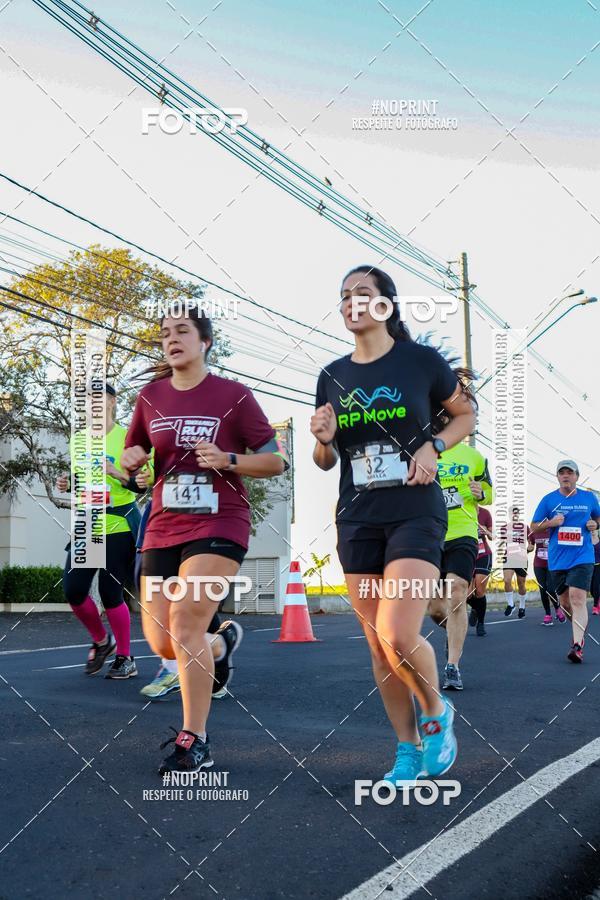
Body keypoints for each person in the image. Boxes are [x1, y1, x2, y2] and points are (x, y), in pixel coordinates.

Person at [311, 265, 476, 785]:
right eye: (343, 297)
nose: (351, 303)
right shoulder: (332, 375)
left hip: (414, 511)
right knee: (378, 645)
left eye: (363, 293)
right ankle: (406, 751)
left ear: (386, 305)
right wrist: (320, 437)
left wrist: (436, 443)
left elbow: (465, 414)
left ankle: (436, 714)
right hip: (357, 517)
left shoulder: (419, 362)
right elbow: (324, 461)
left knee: (397, 630)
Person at [121, 305, 287, 773]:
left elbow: (275, 461)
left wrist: (229, 459)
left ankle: (195, 740)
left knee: (187, 619)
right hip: (163, 523)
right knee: (163, 642)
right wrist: (131, 459)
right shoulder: (150, 398)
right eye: (165, 333)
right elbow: (135, 455)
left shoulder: (234, 396)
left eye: (183, 331)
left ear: (205, 342)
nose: (172, 339)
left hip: (220, 521)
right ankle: (220, 647)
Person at [56, 383, 143, 679]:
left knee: (110, 591)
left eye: (100, 398)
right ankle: (101, 640)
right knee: (74, 590)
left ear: (112, 402)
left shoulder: (129, 439)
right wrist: (69, 482)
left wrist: (117, 472)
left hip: (119, 522)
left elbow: (142, 485)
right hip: (88, 523)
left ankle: (125, 658)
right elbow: (84, 482)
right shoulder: (78, 440)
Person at [430, 442, 493, 689]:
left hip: (463, 533)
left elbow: (489, 492)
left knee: (457, 591)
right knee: (436, 609)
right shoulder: (421, 450)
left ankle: (452, 667)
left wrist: (481, 493)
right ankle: (453, 631)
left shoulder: (473, 456)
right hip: (429, 534)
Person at [531, 460, 600, 662]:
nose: (566, 476)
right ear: (558, 477)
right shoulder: (549, 500)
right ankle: (577, 629)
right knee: (565, 603)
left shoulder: (589, 498)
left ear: (577, 476)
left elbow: (598, 518)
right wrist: (552, 523)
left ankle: (577, 645)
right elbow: (534, 526)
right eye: (562, 473)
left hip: (583, 556)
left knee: (578, 597)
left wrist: (593, 524)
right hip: (558, 559)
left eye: (570, 472)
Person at [527, 527, 564, 625]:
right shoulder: (534, 532)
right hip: (538, 565)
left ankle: (557, 609)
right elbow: (530, 546)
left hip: (551, 564)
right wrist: (528, 549)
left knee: (551, 589)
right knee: (542, 589)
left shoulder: (554, 530)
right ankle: (548, 614)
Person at [469, 506, 493, 636]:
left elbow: (492, 536)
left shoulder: (485, 513)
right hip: (467, 555)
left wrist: (485, 531)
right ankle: (475, 608)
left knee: (479, 590)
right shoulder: (460, 510)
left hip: (483, 555)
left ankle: (481, 624)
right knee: (465, 594)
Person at [499, 509, 528, 618]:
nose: (514, 515)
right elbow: (503, 542)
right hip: (509, 558)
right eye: (512, 513)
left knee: (521, 584)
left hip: (521, 559)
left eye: (516, 513)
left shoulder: (525, 527)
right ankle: (511, 604)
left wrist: (528, 549)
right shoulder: (504, 528)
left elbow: (530, 542)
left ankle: (522, 606)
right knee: (506, 580)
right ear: (510, 515)